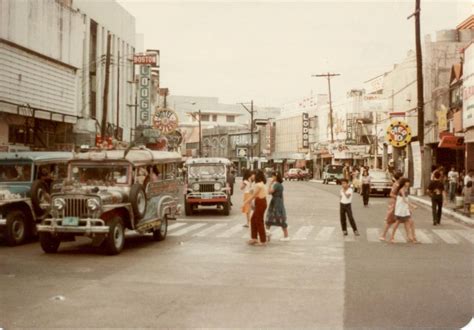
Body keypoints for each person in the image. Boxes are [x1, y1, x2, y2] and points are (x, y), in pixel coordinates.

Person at [243, 170, 268, 246]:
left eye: (253, 175)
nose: (252, 176)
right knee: (253, 220)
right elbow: (251, 191)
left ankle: (263, 241)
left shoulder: (258, 185)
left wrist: (245, 203)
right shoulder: (259, 184)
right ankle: (254, 238)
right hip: (260, 202)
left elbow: (253, 195)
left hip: (261, 203)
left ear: (257, 176)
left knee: (259, 221)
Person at [390, 178, 417, 243]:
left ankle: (412, 238)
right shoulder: (402, 190)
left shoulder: (406, 189)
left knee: (410, 222)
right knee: (397, 223)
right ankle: (392, 237)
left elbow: (406, 199)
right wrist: (412, 206)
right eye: (407, 182)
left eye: (408, 182)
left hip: (404, 209)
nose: (408, 183)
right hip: (400, 209)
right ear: (404, 183)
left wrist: (408, 208)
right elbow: (404, 200)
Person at [265, 172, 289, 242]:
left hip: (275, 202)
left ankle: (268, 236)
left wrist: (270, 184)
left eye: (273, 176)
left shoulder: (276, 185)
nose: (272, 177)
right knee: (276, 219)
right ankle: (268, 236)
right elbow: (282, 196)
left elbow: (269, 192)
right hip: (278, 202)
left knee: (270, 219)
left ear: (276, 177)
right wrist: (282, 205)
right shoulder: (280, 185)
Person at [379, 171, 403, 241]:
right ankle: (383, 235)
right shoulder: (396, 184)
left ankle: (392, 236)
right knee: (390, 220)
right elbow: (391, 194)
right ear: (399, 177)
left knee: (406, 220)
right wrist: (399, 198)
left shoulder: (400, 184)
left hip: (399, 203)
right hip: (394, 203)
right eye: (402, 176)